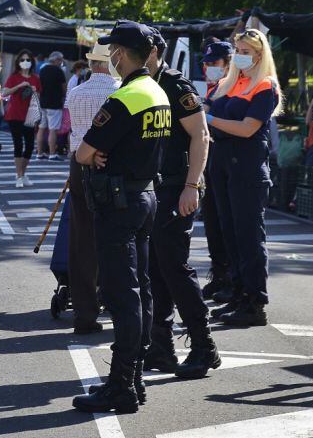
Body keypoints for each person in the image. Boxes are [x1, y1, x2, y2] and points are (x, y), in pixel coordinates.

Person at [72, 21, 170, 415]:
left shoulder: (125, 97)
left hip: (118, 203)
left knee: (121, 294)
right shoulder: (157, 92)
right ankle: (135, 377)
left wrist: (90, 153)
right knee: (141, 289)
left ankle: (121, 386)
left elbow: (83, 152)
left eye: (114, 50)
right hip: (145, 195)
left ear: (122, 54)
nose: (111, 56)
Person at [141, 31, 220, 379]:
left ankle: (204, 346)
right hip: (153, 188)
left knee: (174, 267)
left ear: (155, 52)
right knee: (155, 269)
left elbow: (201, 135)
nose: (118, 57)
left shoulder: (174, 83)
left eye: (125, 50)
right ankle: (161, 345)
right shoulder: (142, 85)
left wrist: (192, 185)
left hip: (176, 188)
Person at [205, 28, 283, 327]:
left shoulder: (265, 85)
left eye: (246, 51)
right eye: (238, 49)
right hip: (222, 163)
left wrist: (209, 119)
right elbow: (206, 107)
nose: (239, 55)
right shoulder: (229, 83)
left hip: (247, 166)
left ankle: (254, 301)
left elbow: (248, 128)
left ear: (260, 55)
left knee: (249, 236)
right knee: (230, 233)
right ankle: (238, 294)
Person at [64, 42, 117, 335]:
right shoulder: (120, 91)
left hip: (79, 163)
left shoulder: (76, 91)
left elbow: (74, 128)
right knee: (116, 236)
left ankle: (84, 312)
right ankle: (112, 299)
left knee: (82, 239)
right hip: (111, 164)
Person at [199, 41, 235, 302]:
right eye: (207, 63)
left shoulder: (234, 89)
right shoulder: (212, 89)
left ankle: (233, 279)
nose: (209, 67)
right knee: (212, 222)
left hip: (230, 163)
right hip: (211, 165)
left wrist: (206, 119)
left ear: (228, 64)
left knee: (227, 225)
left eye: (215, 63)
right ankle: (220, 273)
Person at [1, 51, 42, 188]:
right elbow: (4, 93)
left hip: (30, 114)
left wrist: (34, 91)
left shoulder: (36, 78)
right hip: (15, 114)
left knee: (30, 146)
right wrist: (19, 86)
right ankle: (19, 175)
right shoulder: (14, 77)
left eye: (28, 60)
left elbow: (38, 97)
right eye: (23, 60)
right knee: (18, 144)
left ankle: (22, 173)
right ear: (18, 62)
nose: (25, 62)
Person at [37, 51, 67, 161]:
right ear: (56, 60)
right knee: (53, 130)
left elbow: (39, 86)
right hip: (54, 104)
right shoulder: (59, 71)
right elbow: (64, 88)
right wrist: (64, 97)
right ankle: (52, 153)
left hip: (43, 102)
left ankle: (39, 153)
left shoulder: (43, 70)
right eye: (60, 60)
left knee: (41, 128)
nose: (61, 62)